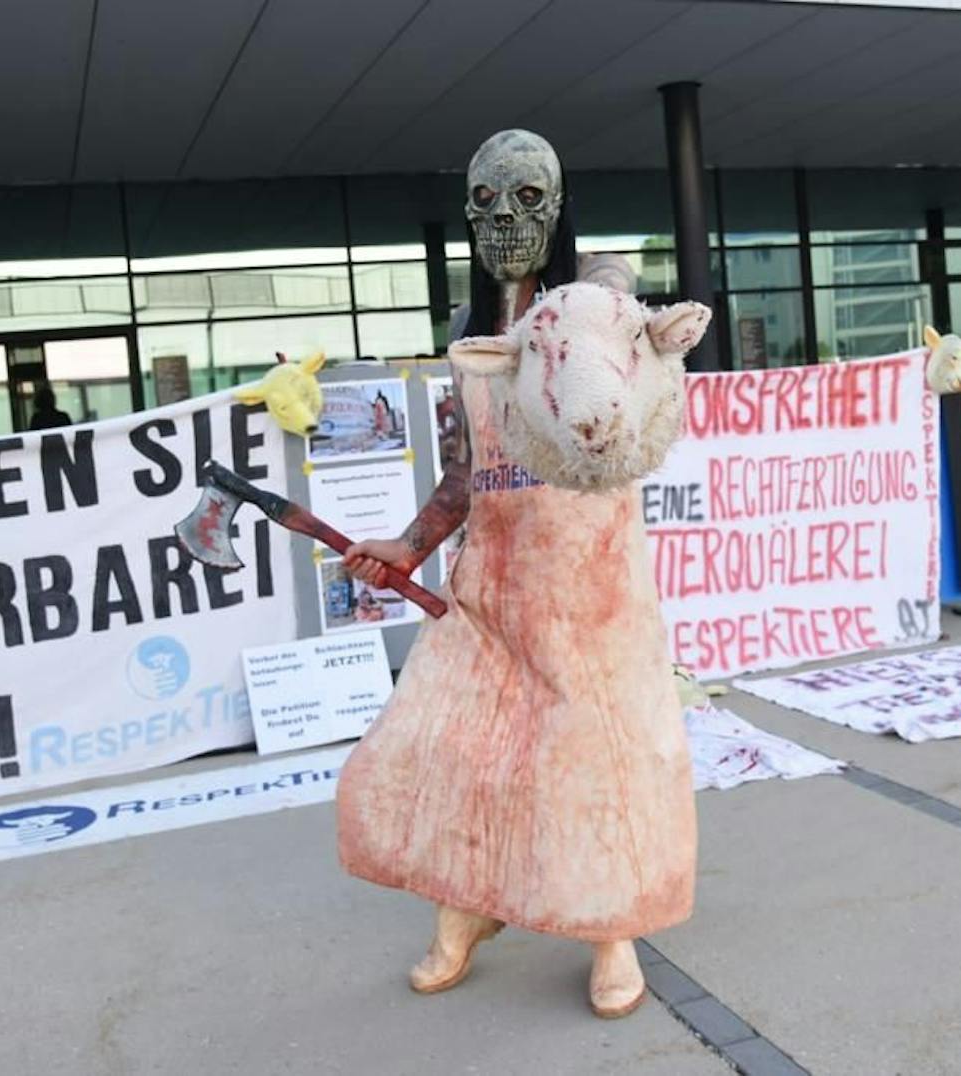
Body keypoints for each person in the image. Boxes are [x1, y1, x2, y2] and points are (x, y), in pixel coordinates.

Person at [333, 129, 692, 1020]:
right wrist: (411, 546)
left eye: (528, 198)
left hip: (589, 582)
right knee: (462, 746)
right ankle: (471, 906)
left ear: (558, 208)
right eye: (487, 199)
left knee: (590, 760)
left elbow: (628, 399)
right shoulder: (468, 331)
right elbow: (467, 465)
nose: (506, 218)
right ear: (466, 213)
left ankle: (612, 931)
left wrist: (616, 306)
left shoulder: (597, 305)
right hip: (491, 578)